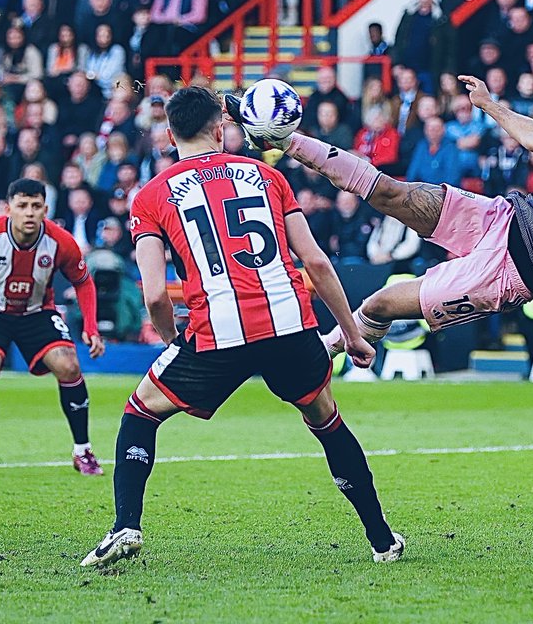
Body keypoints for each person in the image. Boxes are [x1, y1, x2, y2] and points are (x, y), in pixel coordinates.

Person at [83, 87, 403, 568]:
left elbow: (152, 293)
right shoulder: (268, 176)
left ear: (170, 136)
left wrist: (174, 342)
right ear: (220, 130)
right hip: (290, 326)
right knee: (326, 421)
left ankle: (126, 525)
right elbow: (314, 260)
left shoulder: (150, 196)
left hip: (217, 336)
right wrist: (351, 334)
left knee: (140, 413)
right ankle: (381, 540)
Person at [228, 78, 533, 356]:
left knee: (380, 304)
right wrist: (488, 104)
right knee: (391, 191)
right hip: (500, 219)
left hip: (510, 273)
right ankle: (284, 139)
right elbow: (531, 133)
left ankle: (332, 350)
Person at [0, 179, 106, 477]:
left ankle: (83, 451)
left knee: (69, 365)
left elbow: (84, 282)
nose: (29, 213)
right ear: (8, 208)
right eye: (22, 206)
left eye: (36, 207)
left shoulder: (60, 241)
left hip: (37, 312)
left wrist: (91, 326)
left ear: (45, 210)